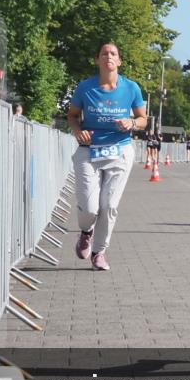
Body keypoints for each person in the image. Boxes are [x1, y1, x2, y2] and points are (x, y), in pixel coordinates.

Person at [67, 42, 147, 271]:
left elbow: (143, 119)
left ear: (119, 61)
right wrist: (77, 131)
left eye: (113, 53)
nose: (109, 56)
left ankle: (99, 252)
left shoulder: (131, 88)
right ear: (97, 60)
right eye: (104, 53)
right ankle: (86, 232)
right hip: (88, 150)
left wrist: (131, 123)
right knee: (90, 208)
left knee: (109, 205)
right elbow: (72, 116)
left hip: (119, 150)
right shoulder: (85, 87)